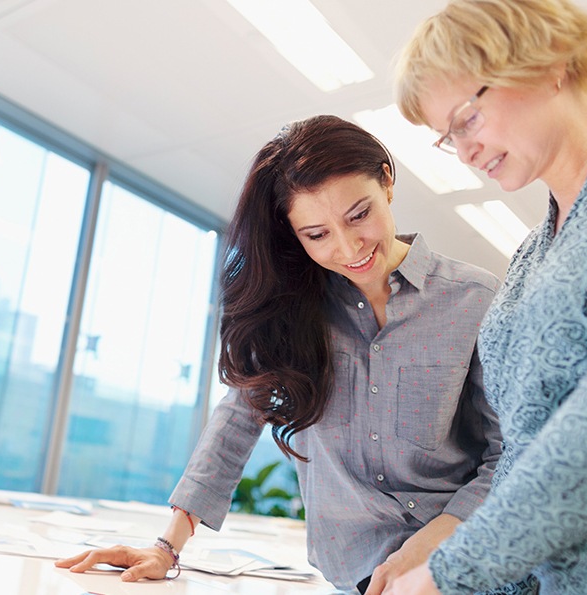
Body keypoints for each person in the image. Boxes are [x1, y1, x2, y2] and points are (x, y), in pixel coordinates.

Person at [55, 115, 503, 593]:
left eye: (359, 215)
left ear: (387, 183)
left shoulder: (477, 299)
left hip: (466, 561)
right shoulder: (292, 313)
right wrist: (166, 546)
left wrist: (430, 546)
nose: (349, 247)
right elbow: (236, 421)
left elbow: (507, 454)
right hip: (357, 576)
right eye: (317, 235)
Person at [386, 0, 587, 593]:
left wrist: (451, 574)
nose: (463, 151)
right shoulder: (528, 257)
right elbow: (523, 451)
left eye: (466, 118)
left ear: (547, 64)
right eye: (448, 137)